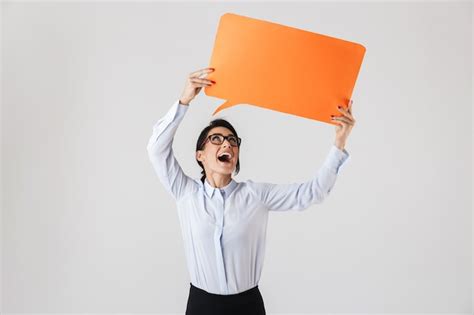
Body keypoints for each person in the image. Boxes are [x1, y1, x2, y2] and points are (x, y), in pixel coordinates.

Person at [147, 67, 356, 315]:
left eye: (233, 141)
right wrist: (184, 101)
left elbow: (312, 192)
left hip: (247, 306)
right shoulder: (185, 192)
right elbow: (156, 150)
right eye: (216, 139)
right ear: (199, 155)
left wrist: (339, 142)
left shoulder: (255, 195)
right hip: (201, 305)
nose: (227, 143)